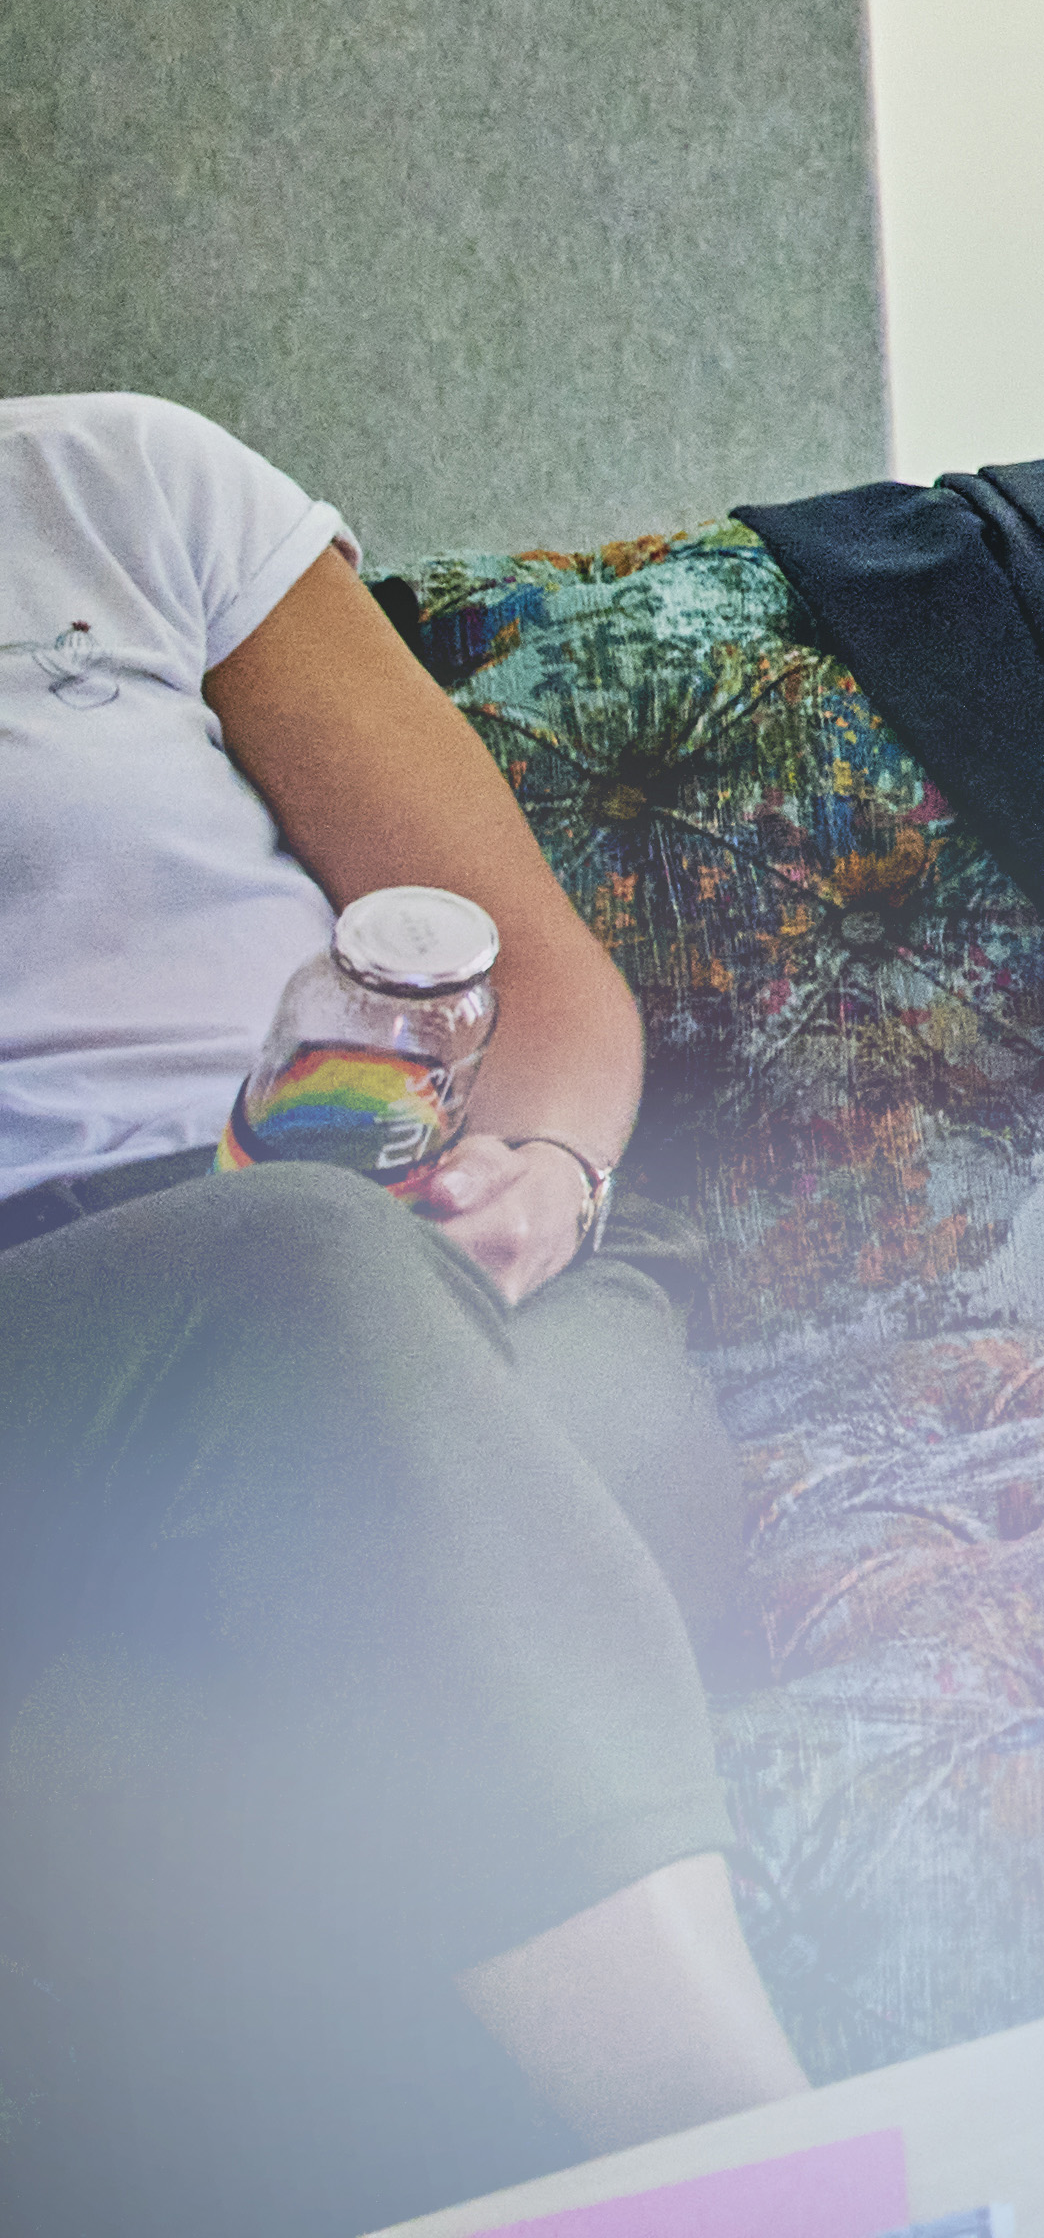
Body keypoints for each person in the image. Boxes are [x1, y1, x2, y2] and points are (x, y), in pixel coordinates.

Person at [2, 382, 804, 2238]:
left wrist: (548, 1177)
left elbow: (528, 970)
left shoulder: (119, 482)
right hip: (62, 1337)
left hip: (383, 1229)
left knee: (589, 1444)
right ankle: (775, 2180)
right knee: (293, 1277)